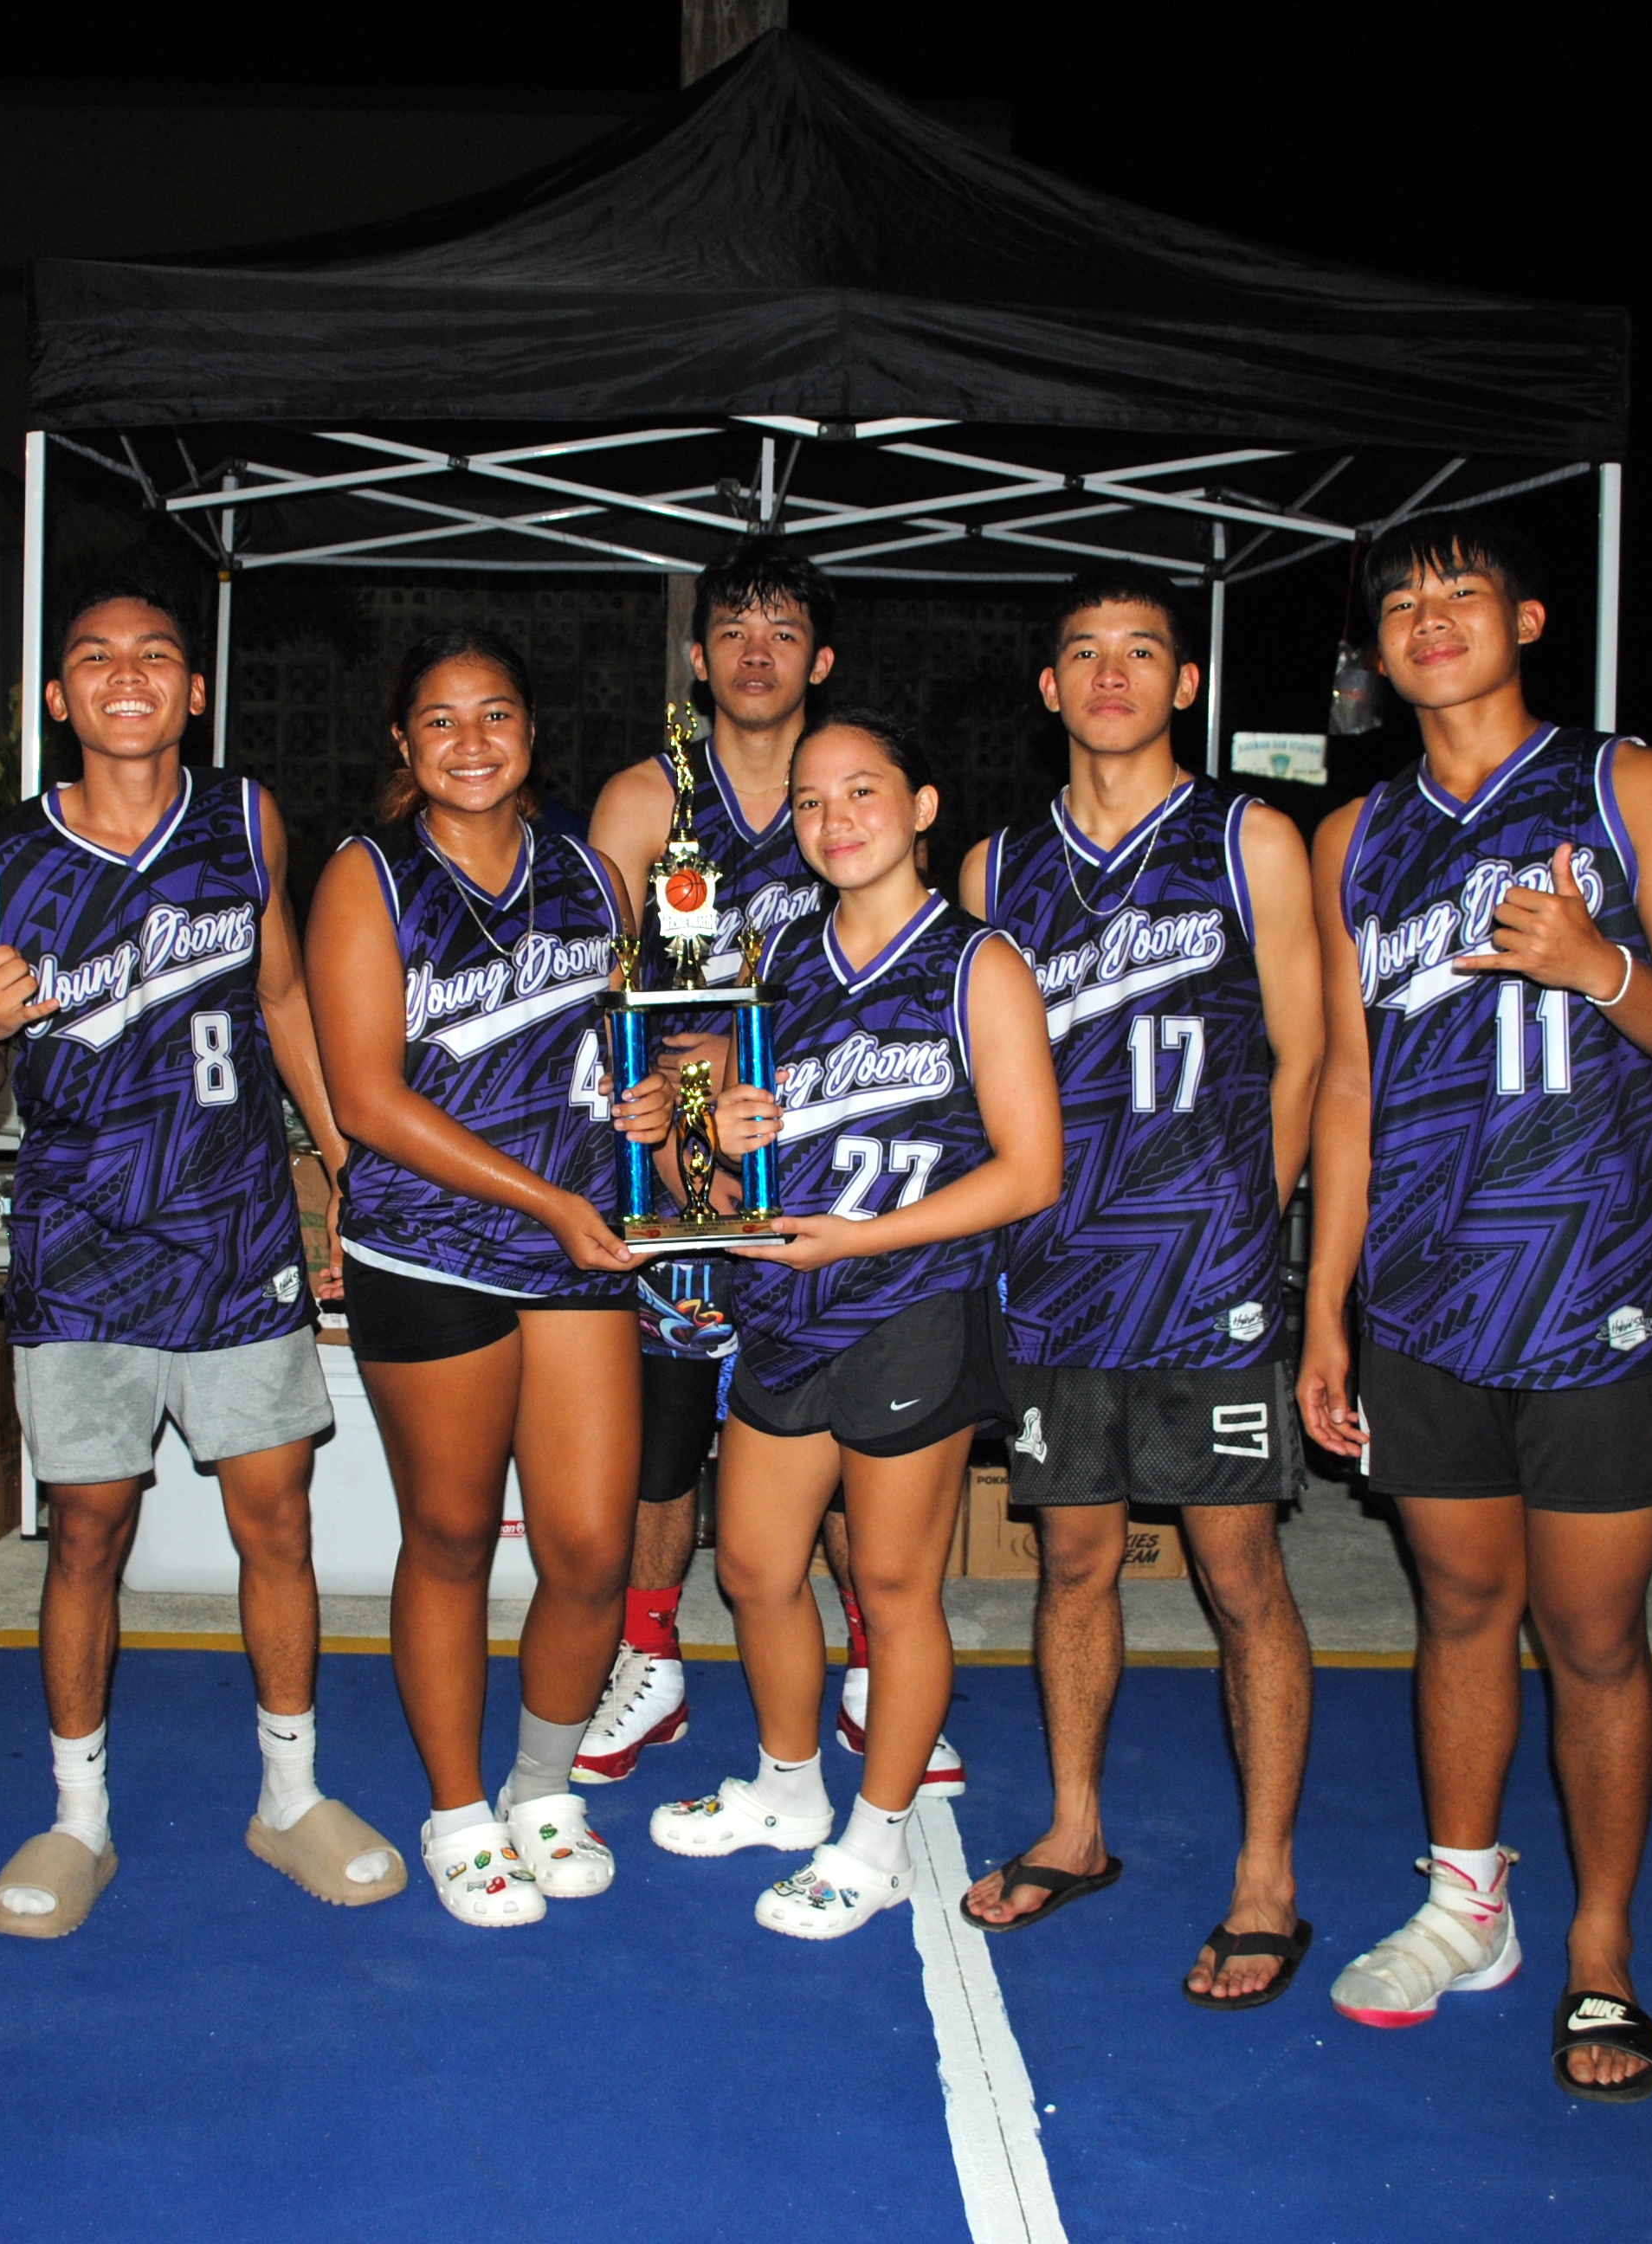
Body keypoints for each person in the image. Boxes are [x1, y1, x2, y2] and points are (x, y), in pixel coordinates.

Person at [1299, 512, 1652, 2103]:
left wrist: (1600, 968)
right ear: (1376, 648)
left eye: (1463, 593)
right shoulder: (1351, 841)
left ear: (1528, 618)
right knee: (1456, 1613)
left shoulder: (1629, 785)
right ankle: (1465, 1907)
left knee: (1594, 1632)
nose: (1431, 618)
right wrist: (1322, 1311)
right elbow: (1347, 1089)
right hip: (1424, 1300)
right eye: (1404, 601)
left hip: (1599, 1296)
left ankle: (1601, 1948)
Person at [0, 580, 403, 1938]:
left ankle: (290, 1798)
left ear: (194, 691)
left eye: (155, 657)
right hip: (80, 1240)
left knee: (277, 1519)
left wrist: (341, 1160)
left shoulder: (243, 818)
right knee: (86, 1531)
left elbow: (279, 997)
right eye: (95, 658)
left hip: (234, 1228)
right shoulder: (1, 851)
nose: (126, 676)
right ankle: (78, 1819)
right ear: (56, 697)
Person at [948, 571, 1329, 2013]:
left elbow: (1305, 1054)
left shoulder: (1250, 839)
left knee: (1241, 1576)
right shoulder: (993, 871)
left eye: (1143, 652)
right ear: (1048, 688)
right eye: (1084, 654)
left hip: (1206, 1282)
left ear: (1184, 685)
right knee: (1071, 1564)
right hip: (1054, 1281)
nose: (1112, 674)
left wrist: (1253, 1223)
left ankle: (1265, 1878)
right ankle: (1073, 1823)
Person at [641, 709, 1062, 1939]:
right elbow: (720, 1172)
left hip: (909, 1304)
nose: (836, 820)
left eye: (864, 792)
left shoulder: (979, 961)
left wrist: (862, 1239)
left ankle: (875, 1841)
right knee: (756, 1567)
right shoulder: (780, 962)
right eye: (814, 801)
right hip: (787, 1304)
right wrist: (691, 1137)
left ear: (923, 809)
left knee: (889, 1582)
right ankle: (784, 1790)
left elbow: (1031, 1171)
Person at [577, 541, 965, 1795]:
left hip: (820, 1172)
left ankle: (871, 1662)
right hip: (687, 1165)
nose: (755, 650)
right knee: (667, 1440)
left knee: (843, 1432)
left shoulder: (850, 800)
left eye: (782, 630)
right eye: (732, 629)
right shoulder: (646, 804)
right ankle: (653, 1660)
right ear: (698, 659)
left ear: (822, 657)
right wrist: (676, 1092)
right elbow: (600, 1002)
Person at [305, 629, 653, 1928]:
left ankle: (541, 1788)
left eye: (494, 714)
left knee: (586, 1549)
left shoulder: (584, 873)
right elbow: (368, 1097)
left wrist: (652, 1098)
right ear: (403, 743)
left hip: (571, 1250)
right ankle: (457, 1812)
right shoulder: (365, 875)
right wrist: (552, 1198)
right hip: (430, 1246)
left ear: (530, 734)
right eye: (439, 720)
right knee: (451, 1540)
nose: (469, 740)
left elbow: (621, 1049)